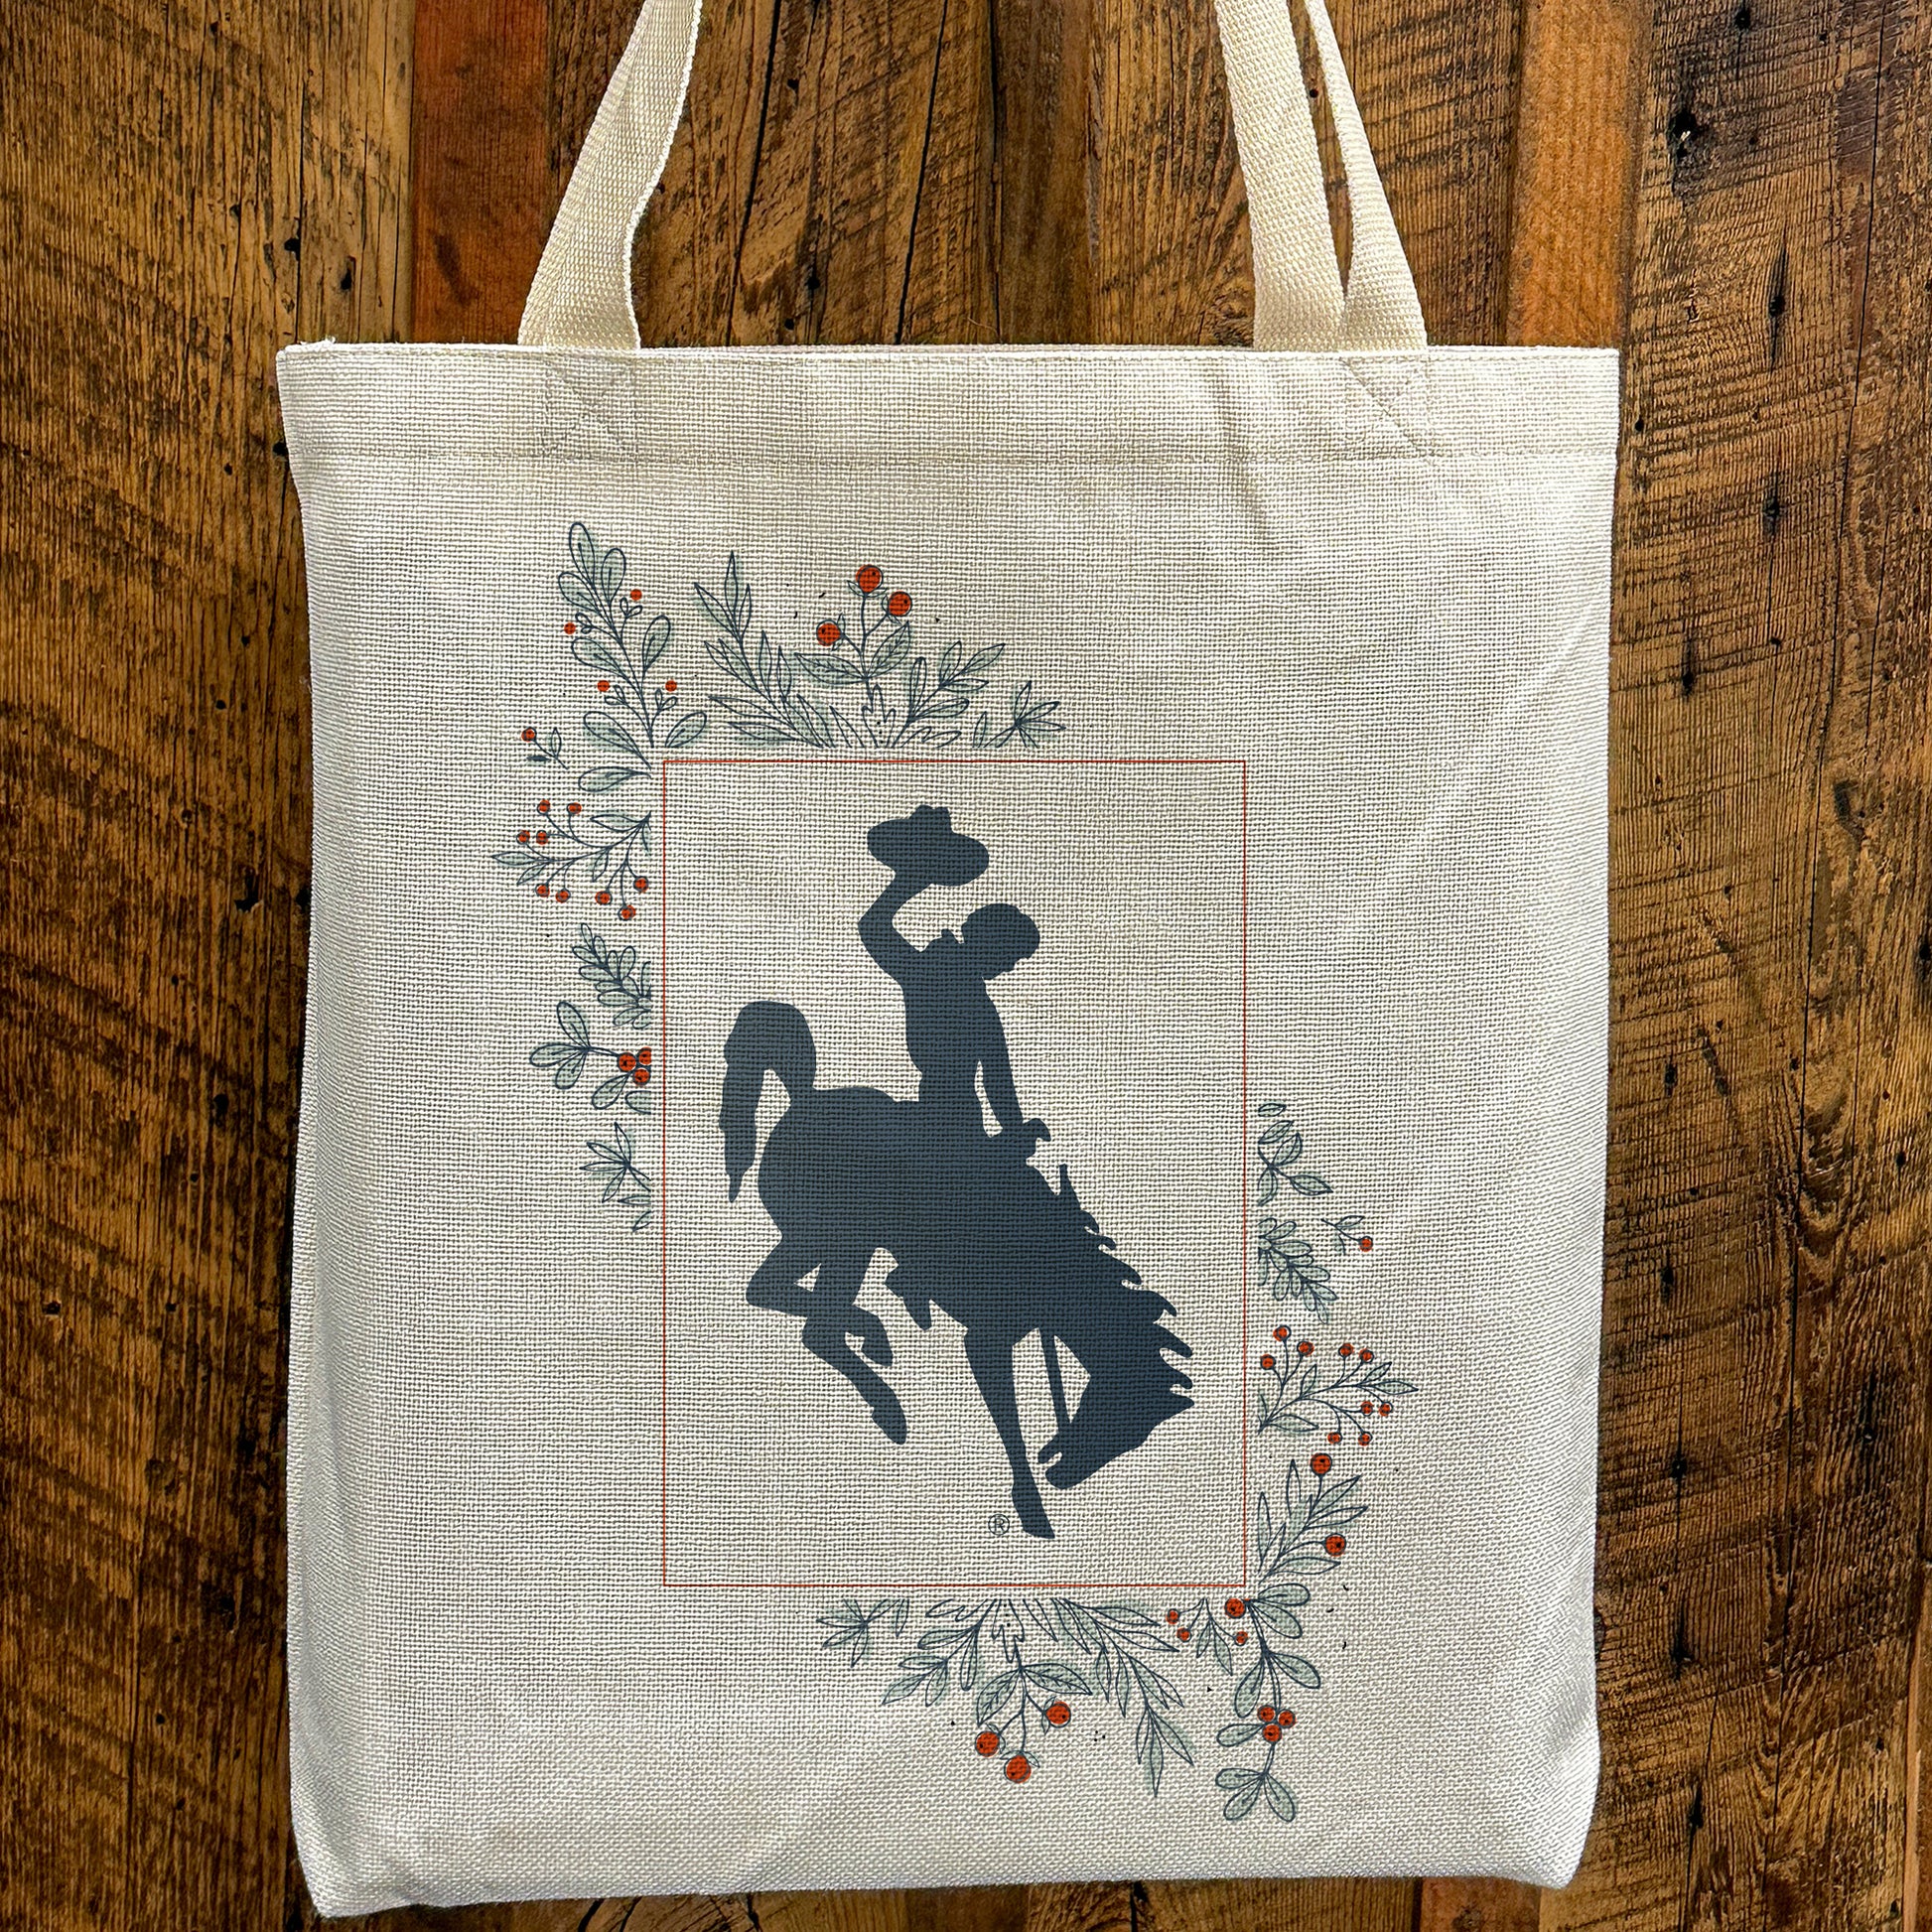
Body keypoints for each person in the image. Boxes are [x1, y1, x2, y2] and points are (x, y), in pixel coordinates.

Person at [858, 811, 1046, 1151]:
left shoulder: (931, 974)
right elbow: (997, 1080)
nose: (1009, 968)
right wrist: (912, 878)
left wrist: (1016, 1130)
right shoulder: (939, 979)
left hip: (953, 1116)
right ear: (992, 945)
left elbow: (997, 1078)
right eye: (1011, 956)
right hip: (951, 1123)